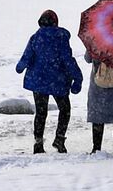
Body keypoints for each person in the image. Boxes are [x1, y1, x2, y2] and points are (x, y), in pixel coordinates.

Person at [15, 9, 83, 153]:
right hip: (58, 80)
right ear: (55, 22)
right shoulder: (61, 38)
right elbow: (67, 60)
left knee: (41, 112)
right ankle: (59, 139)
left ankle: (38, 143)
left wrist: (20, 67)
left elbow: (27, 57)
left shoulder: (35, 37)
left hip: (38, 81)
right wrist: (77, 77)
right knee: (65, 110)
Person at [84, 48, 113, 155]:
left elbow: (87, 59)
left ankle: (96, 148)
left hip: (98, 83)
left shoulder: (95, 41)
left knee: (97, 114)